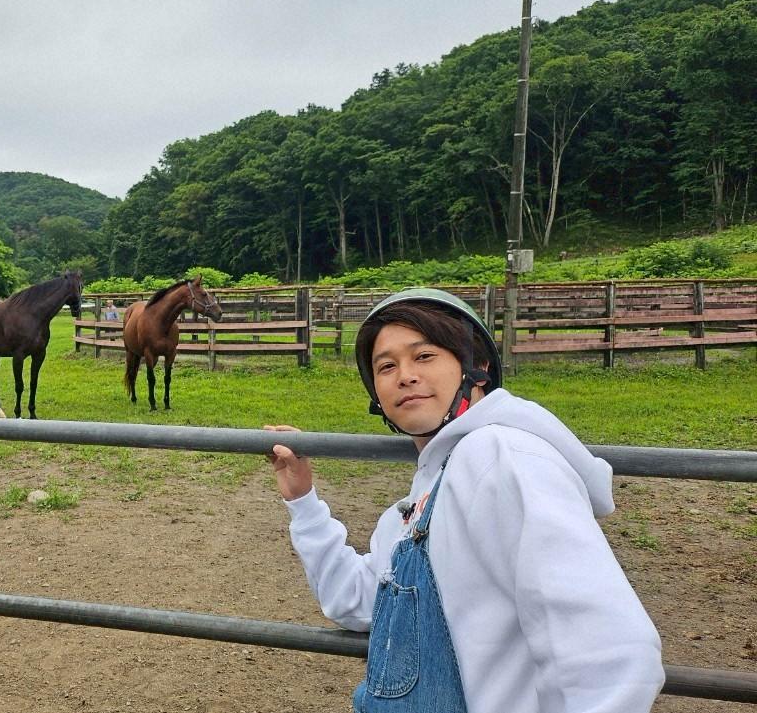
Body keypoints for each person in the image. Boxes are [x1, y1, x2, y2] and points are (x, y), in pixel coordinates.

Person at [265, 288, 663, 713]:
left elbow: (612, 654)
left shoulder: (500, 459)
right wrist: (304, 500)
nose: (405, 375)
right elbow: (357, 600)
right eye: (386, 366)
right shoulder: (423, 497)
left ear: (478, 367)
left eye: (424, 356)